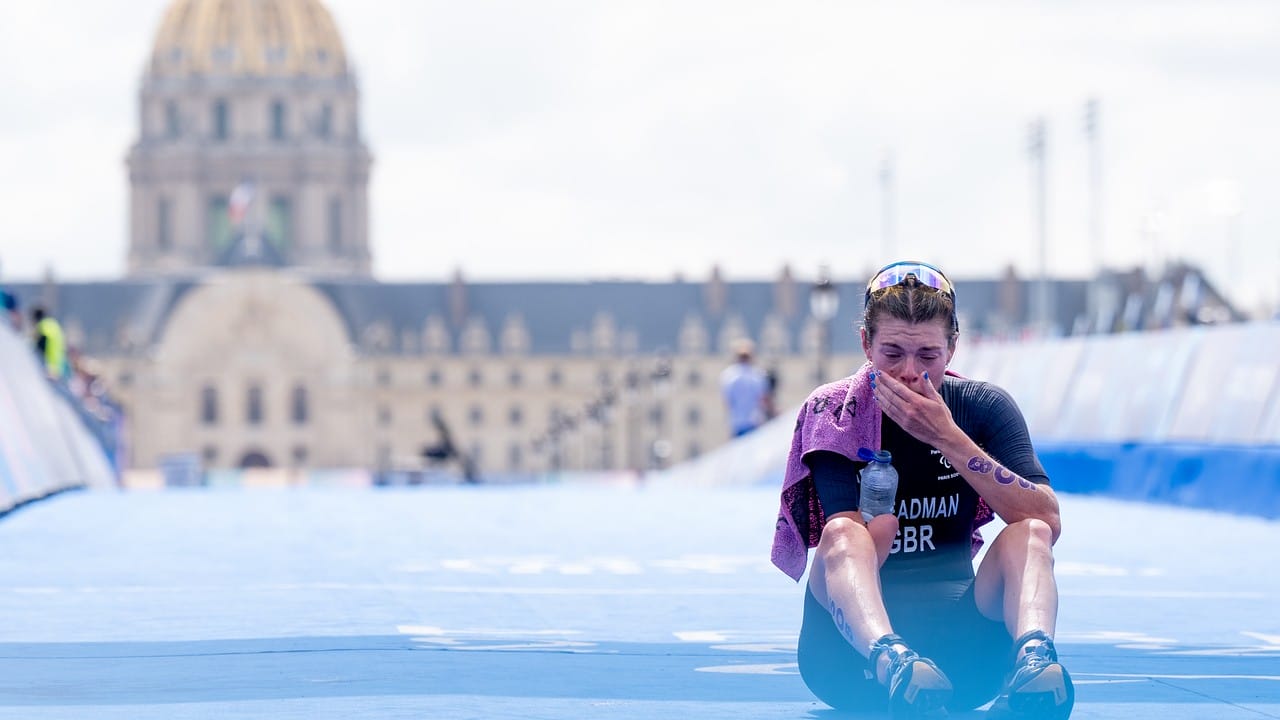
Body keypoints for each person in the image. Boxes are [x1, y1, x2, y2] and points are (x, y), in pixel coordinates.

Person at [770, 260, 1073, 719]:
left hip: (964, 658)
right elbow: (849, 542)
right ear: (865, 345)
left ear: (952, 349)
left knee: (1028, 531)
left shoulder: (982, 407)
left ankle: (1034, 661)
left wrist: (947, 438)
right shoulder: (836, 412)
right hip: (848, 659)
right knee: (843, 533)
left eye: (927, 356)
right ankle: (894, 659)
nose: (911, 373)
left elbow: (1048, 519)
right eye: (892, 353)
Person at [720, 338, 769, 437]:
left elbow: (727, 401)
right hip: (754, 420)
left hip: (737, 422)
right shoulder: (757, 374)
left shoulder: (728, 375)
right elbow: (763, 399)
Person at [31, 305, 70, 381]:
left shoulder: (43, 325)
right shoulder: (54, 324)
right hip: (58, 366)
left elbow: (41, 344)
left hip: (49, 367)